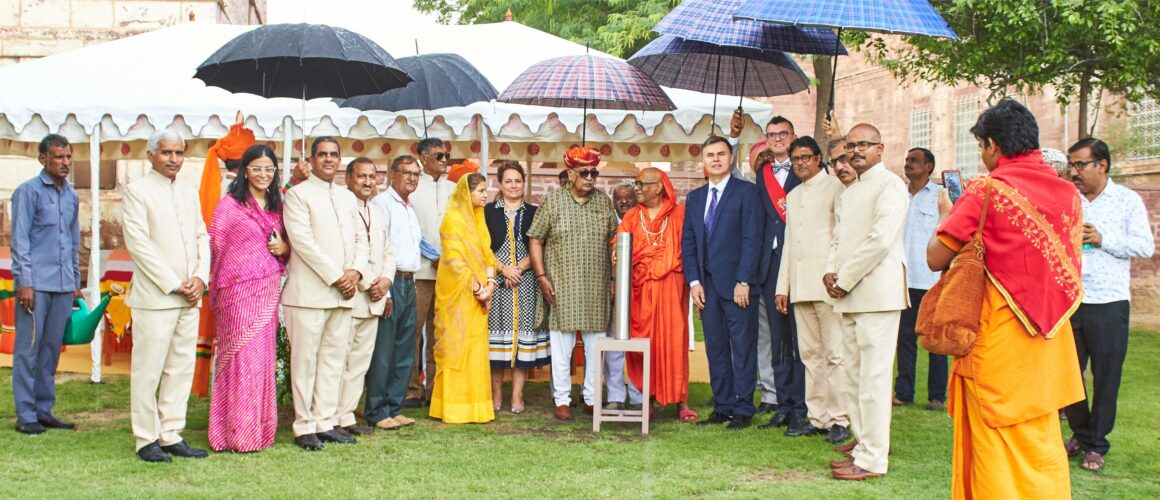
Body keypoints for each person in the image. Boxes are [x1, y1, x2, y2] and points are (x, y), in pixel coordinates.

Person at [928, 98, 1085, 497]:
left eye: (981, 146)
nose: (982, 155)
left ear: (992, 145)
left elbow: (935, 257)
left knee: (996, 445)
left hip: (999, 339)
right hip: (1050, 339)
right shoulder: (1068, 194)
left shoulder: (988, 190)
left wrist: (946, 212)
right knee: (1040, 440)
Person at [1063, 137, 1155, 472]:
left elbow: (1144, 246)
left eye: (1079, 165)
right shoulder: (1069, 200)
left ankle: (1096, 445)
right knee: (1068, 375)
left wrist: (1104, 239)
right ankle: (1080, 433)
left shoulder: (1126, 200)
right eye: (1071, 165)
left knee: (1106, 376)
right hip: (1071, 300)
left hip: (1109, 301)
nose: (1073, 172)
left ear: (1101, 165)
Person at [825, 123, 909, 480]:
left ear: (880, 148)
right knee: (854, 379)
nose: (856, 151)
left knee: (873, 381)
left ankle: (874, 458)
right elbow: (839, 239)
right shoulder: (850, 190)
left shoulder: (891, 185)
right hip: (849, 294)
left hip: (877, 294)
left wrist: (843, 279)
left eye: (864, 145)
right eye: (851, 146)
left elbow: (879, 240)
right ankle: (864, 446)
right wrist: (830, 273)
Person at [122, 129, 211, 462]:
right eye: (166, 153)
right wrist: (175, 283)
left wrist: (201, 277)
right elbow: (139, 244)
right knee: (149, 369)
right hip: (156, 296)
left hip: (190, 295)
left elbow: (202, 236)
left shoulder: (188, 191)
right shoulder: (136, 191)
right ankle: (146, 438)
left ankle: (171, 432)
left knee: (180, 367)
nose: (174, 159)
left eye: (178, 153)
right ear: (150, 156)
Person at [281, 137, 368, 451]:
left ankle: (325, 421)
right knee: (305, 362)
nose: (329, 160)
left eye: (334, 155)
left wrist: (355, 272)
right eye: (323, 155)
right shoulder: (298, 195)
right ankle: (304, 425)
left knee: (333, 360)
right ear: (312, 159)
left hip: (344, 294)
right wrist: (336, 276)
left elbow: (361, 239)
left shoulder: (346, 198)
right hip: (309, 294)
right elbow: (303, 243)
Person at [206, 144, 287, 453]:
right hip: (234, 292)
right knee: (238, 359)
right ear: (244, 171)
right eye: (257, 169)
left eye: (269, 169)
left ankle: (255, 431)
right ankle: (230, 432)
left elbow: (289, 244)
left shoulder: (279, 206)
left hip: (266, 288)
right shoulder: (229, 205)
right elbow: (216, 245)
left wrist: (285, 250)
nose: (263, 175)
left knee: (260, 361)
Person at [528, 146, 618, 422]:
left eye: (594, 172)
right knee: (562, 345)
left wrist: (614, 279)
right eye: (585, 173)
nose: (591, 178)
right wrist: (542, 276)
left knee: (595, 345)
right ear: (570, 173)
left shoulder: (604, 202)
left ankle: (591, 398)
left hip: (596, 284)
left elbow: (614, 241)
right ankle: (563, 399)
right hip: (561, 284)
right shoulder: (552, 201)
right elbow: (535, 239)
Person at [773, 136, 850, 444]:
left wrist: (835, 273)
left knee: (835, 353)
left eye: (806, 156)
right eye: (796, 159)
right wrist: (783, 286)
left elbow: (840, 236)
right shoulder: (792, 195)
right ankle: (817, 417)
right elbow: (790, 242)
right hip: (800, 285)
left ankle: (839, 418)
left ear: (819, 158)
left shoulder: (836, 188)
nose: (801, 162)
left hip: (828, 284)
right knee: (809, 355)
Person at [682, 136, 763, 430]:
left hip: (737, 284)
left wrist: (744, 280)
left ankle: (743, 407)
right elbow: (689, 242)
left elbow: (752, 239)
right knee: (715, 346)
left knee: (741, 346)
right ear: (703, 162)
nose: (715, 159)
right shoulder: (695, 198)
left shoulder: (746, 193)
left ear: (730, 159)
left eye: (721, 154)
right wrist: (693, 281)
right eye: (710, 155)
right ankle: (723, 404)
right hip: (707, 286)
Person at [10, 134, 81, 435]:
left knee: (51, 350)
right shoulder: (27, 192)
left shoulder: (72, 195)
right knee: (28, 350)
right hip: (35, 285)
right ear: (43, 159)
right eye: (58, 157)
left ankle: (44, 409)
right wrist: (25, 281)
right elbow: (20, 241)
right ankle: (26, 415)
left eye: (67, 157)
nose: (65, 163)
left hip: (63, 286)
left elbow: (75, 241)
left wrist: (76, 282)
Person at [615, 167, 695, 421]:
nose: (636, 189)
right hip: (640, 290)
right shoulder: (631, 217)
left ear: (658, 186)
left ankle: (681, 401)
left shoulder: (680, 214)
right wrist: (615, 252)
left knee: (674, 341)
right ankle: (647, 399)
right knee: (643, 341)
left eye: (641, 184)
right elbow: (619, 244)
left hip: (671, 287)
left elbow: (689, 248)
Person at [333, 158, 396, 437]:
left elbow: (388, 252)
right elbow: (347, 254)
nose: (368, 182)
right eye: (362, 176)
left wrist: (386, 281)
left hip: (374, 299)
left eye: (372, 176)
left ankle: (347, 416)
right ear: (348, 178)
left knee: (359, 364)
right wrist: (370, 281)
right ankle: (331, 416)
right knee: (339, 360)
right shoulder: (342, 208)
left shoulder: (377, 211)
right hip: (352, 296)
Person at [430, 173, 498, 424]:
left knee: (475, 350)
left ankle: (476, 408)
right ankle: (452, 408)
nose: (485, 194)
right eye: (480, 190)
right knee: (456, 348)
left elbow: (488, 256)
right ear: (466, 194)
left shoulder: (479, 219)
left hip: (479, 297)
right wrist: (477, 287)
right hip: (458, 295)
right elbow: (454, 260)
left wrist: (490, 284)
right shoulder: (452, 220)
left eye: (485, 190)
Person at [194, 121, 255, 398]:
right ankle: (231, 399)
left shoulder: (226, 188)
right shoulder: (232, 194)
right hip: (235, 279)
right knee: (233, 344)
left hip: (236, 278)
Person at [753, 117, 805, 431]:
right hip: (770, 263)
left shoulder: (805, 171)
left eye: (782, 134)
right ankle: (782, 404)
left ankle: (802, 403)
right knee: (777, 339)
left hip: (799, 261)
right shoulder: (762, 174)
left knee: (800, 338)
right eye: (771, 135)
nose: (777, 139)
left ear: (793, 136)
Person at [484, 162, 550, 413]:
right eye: (508, 181)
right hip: (497, 282)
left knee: (523, 336)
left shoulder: (534, 211)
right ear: (500, 184)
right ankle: (496, 393)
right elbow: (482, 247)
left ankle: (517, 396)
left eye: (518, 181)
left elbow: (539, 244)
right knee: (496, 338)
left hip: (525, 281)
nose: (513, 185)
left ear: (524, 184)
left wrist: (518, 269)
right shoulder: (488, 212)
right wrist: (503, 269)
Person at [366, 155, 424, 431]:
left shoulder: (409, 208)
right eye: (406, 172)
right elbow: (379, 250)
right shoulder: (382, 205)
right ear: (392, 174)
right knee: (384, 349)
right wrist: (386, 290)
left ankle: (394, 406)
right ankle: (377, 409)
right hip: (390, 282)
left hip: (410, 281)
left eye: (416, 174)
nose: (412, 178)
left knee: (405, 348)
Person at [894, 147, 951, 411]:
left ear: (929, 166)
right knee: (904, 338)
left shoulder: (940, 197)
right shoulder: (897, 194)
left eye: (914, 160)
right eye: (907, 160)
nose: (908, 165)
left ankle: (937, 396)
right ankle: (903, 392)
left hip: (930, 278)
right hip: (902, 278)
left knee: (934, 338)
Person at [407, 137, 455, 407]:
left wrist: (448, 258)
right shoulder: (412, 188)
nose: (445, 161)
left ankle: (436, 387)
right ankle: (413, 389)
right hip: (420, 272)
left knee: (441, 332)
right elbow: (410, 230)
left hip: (449, 274)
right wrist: (433, 256)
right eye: (438, 156)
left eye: (447, 155)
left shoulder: (453, 188)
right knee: (413, 332)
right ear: (423, 158)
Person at [604, 183, 644, 411]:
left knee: (637, 344)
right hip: (614, 292)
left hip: (640, 291)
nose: (624, 201)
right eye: (619, 198)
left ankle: (639, 396)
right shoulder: (610, 224)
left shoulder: (643, 222)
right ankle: (615, 395)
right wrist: (611, 281)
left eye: (629, 197)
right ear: (613, 203)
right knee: (614, 345)